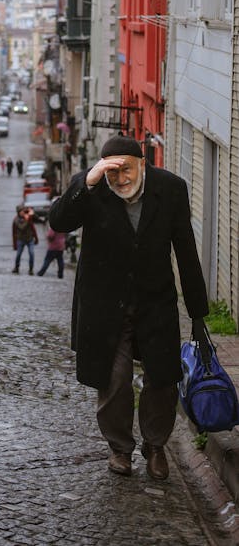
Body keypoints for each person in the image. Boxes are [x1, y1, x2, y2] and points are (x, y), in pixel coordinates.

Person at [49, 134, 209, 481]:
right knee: (114, 379)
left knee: (162, 379)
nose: (120, 180)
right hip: (106, 304)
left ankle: (155, 446)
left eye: (127, 172)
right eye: (112, 174)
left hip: (155, 300)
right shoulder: (93, 190)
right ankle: (120, 448)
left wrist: (198, 313)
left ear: (142, 164)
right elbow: (59, 222)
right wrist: (87, 182)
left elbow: (185, 248)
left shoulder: (171, 189)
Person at [12, 205, 38, 275]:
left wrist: (32, 213)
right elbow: (22, 227)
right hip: (21, 239)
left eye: (23, 211)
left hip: (30, 239)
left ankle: (31, 269)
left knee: (31, 253)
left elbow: (35, 224)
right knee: (18, 254)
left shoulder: (27, 216)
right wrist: (28, 218)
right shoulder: (16, 219)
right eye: (21, 211)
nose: (23, 212)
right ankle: (16, 268)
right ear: (18, 212)